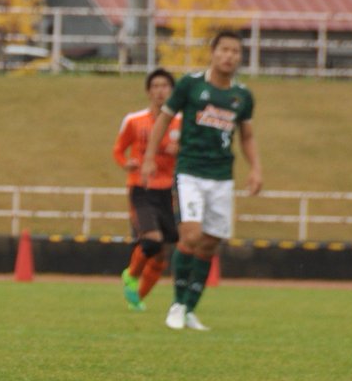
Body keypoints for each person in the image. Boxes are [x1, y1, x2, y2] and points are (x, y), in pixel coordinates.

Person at [142, 31, 262, 331]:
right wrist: (149, 156)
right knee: (191, 236)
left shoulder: (242, 97)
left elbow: (246, 135)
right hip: (190, 172)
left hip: (221, 177)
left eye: (235, 51)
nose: (229, 56)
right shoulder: (191, 85)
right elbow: (164, 119)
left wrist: (256, 168)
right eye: (224, 49)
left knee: (210, 244)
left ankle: (191, 308)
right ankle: (177, 305)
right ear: (213, 52)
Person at [112, 68, 181, 311]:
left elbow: (192, 152)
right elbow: (118, 150)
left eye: (165, 86)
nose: (160, 90)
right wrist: (125, 163)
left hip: (168, 191)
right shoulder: (134, 120)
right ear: (148, 91)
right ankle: (130, 274)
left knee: (163, 251)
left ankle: (137, 297)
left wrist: (179, 150)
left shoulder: (181, 122)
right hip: (140, 187)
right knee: (151, 240)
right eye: (156, 86)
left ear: (172, 91)